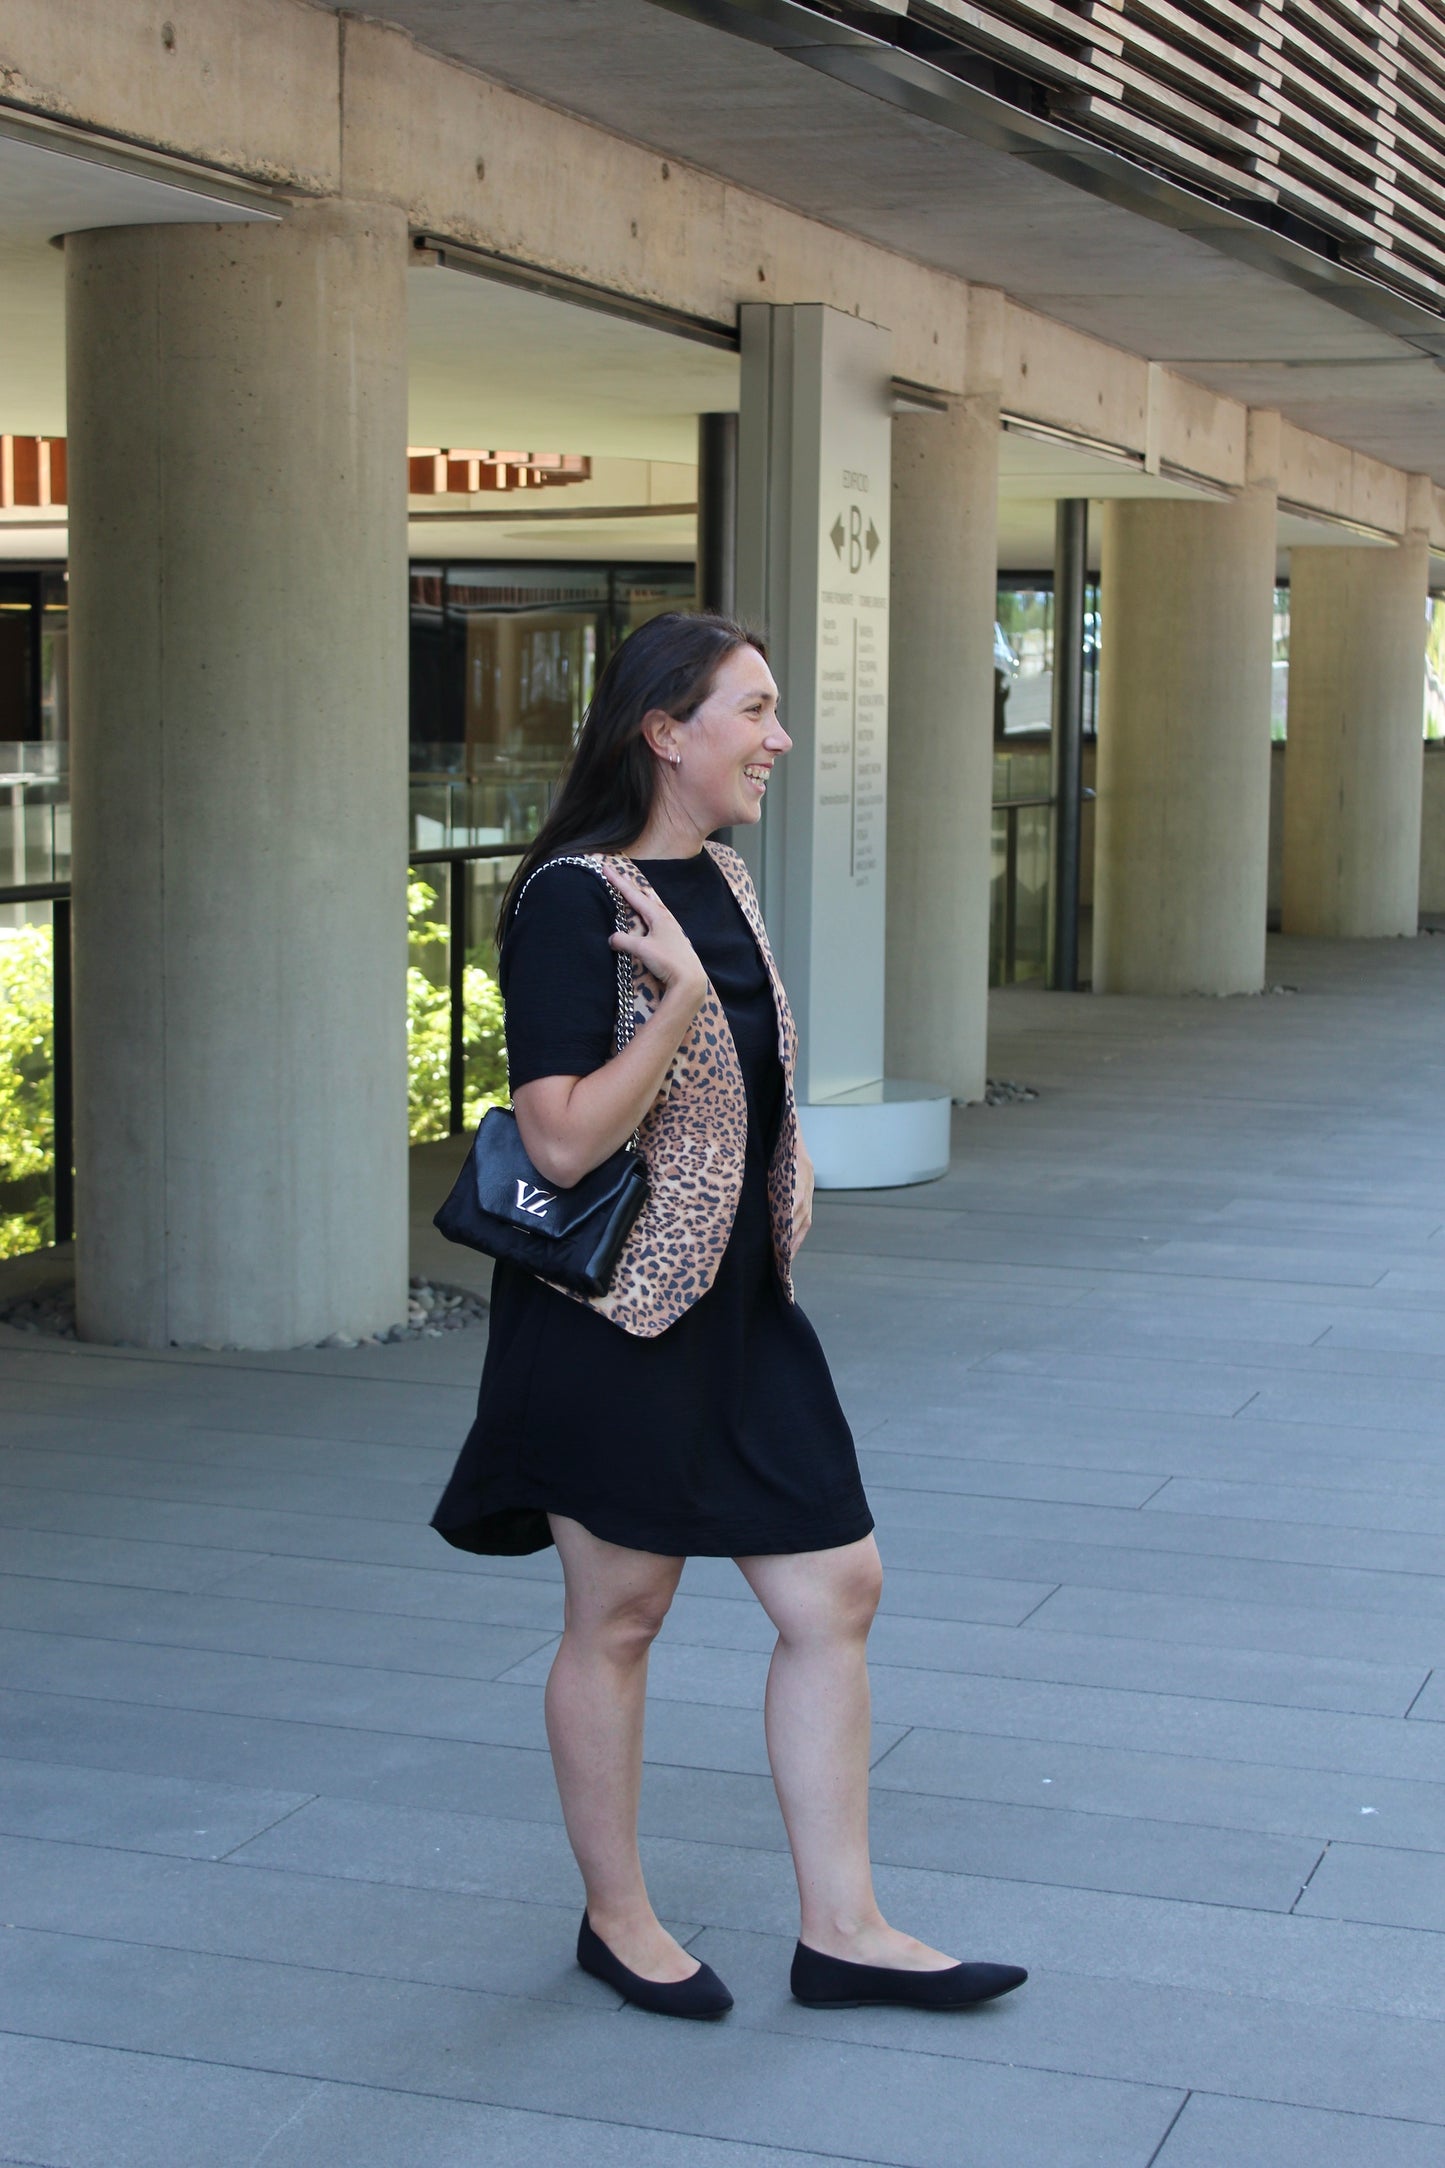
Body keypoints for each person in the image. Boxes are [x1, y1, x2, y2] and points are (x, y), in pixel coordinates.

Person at [433, 611, 1026, 2020]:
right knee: (622, 1613)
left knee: (836, 1587)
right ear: (663, 729)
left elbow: (747, 1076)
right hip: (614, 1317)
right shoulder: (570, 901)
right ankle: (617, 1918)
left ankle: (846, 1930)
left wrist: (782, 1149)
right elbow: (563, 1140)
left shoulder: (725, 875)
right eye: (752, 711)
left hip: (745, 1306)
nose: (776, 737)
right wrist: (678, 998)